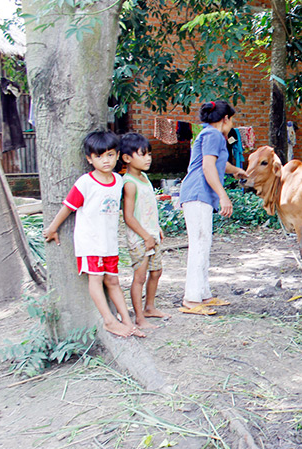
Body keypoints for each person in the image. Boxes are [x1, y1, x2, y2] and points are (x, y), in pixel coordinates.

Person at [43, 130, 140, 338]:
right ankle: (109, 321)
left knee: (113, 281)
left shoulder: (118, 180)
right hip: (90, 242)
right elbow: (67, 207)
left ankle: (127, 321)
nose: (106, 160)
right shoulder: (85, 183)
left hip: (109, 243)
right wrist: (52, 228)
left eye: (110, 155)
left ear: (117, 155)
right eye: (99, 156)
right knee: (95, 279)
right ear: (89, 158)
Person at [179, 100, 248, 315]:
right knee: (199, 244)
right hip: (198, 194)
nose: (232, 123)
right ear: (226, 119)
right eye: (232, 119)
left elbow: (218, 164)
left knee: (204, 243)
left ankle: (204, 294)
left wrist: (236, 170)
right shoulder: (213, 135)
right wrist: (223, 195)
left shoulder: (211, 135)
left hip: (202, 196)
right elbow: (209, 168)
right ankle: (191, 299)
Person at [120, 132, 171, 330]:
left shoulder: (145, 178)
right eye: (142, 154)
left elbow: (149, 207)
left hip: (151, 234)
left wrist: (156, 228)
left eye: (149, 153)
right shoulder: (130, 184)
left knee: (157, 271)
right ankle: (139, 317)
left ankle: (150, 307)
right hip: (140, 238)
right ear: (127, 158)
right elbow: (129, 216)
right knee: (140, 277)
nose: (148, 158)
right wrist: (145, 236)